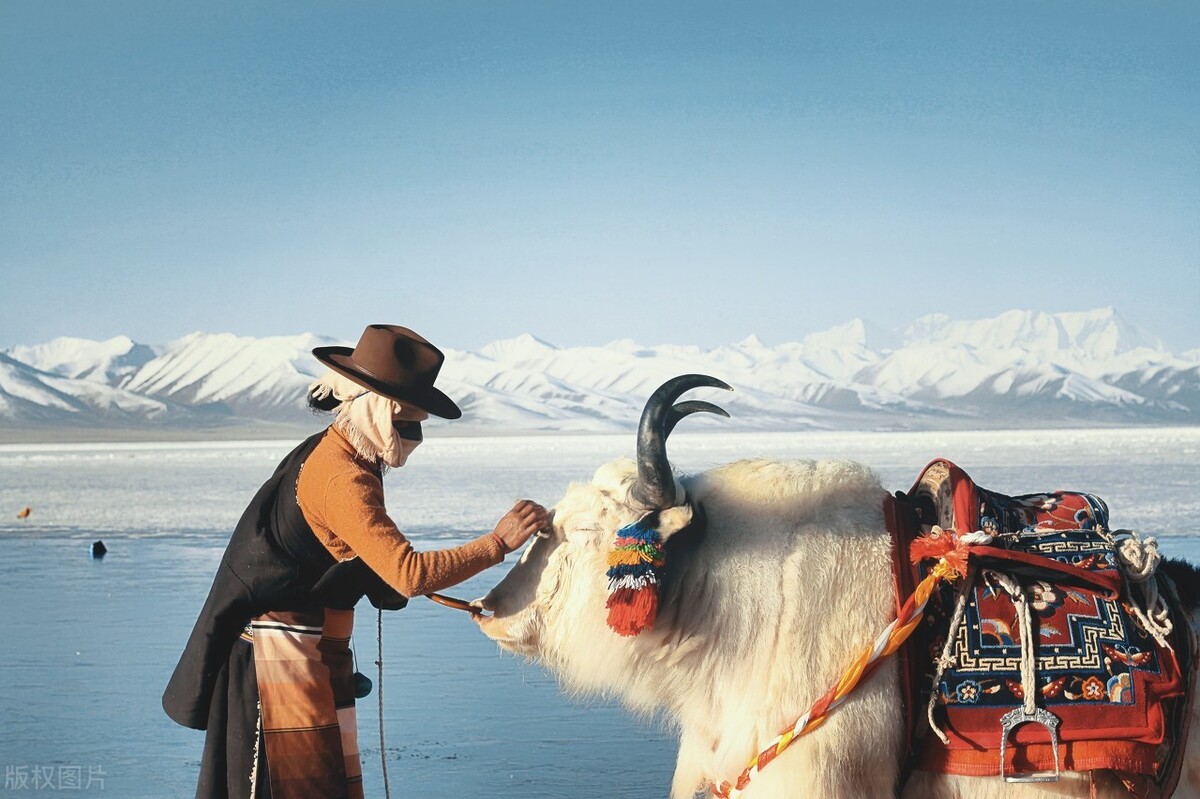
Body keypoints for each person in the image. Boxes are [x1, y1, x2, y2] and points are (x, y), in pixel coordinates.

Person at [163, 324, 549, 799]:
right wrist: (498, 543)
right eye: (406, 424)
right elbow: (407, 575)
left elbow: (352, 554)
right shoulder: (344, 477)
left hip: (292, 654)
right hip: (275, 665)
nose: (415, 438)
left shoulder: (341, 453)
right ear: (377, 410)